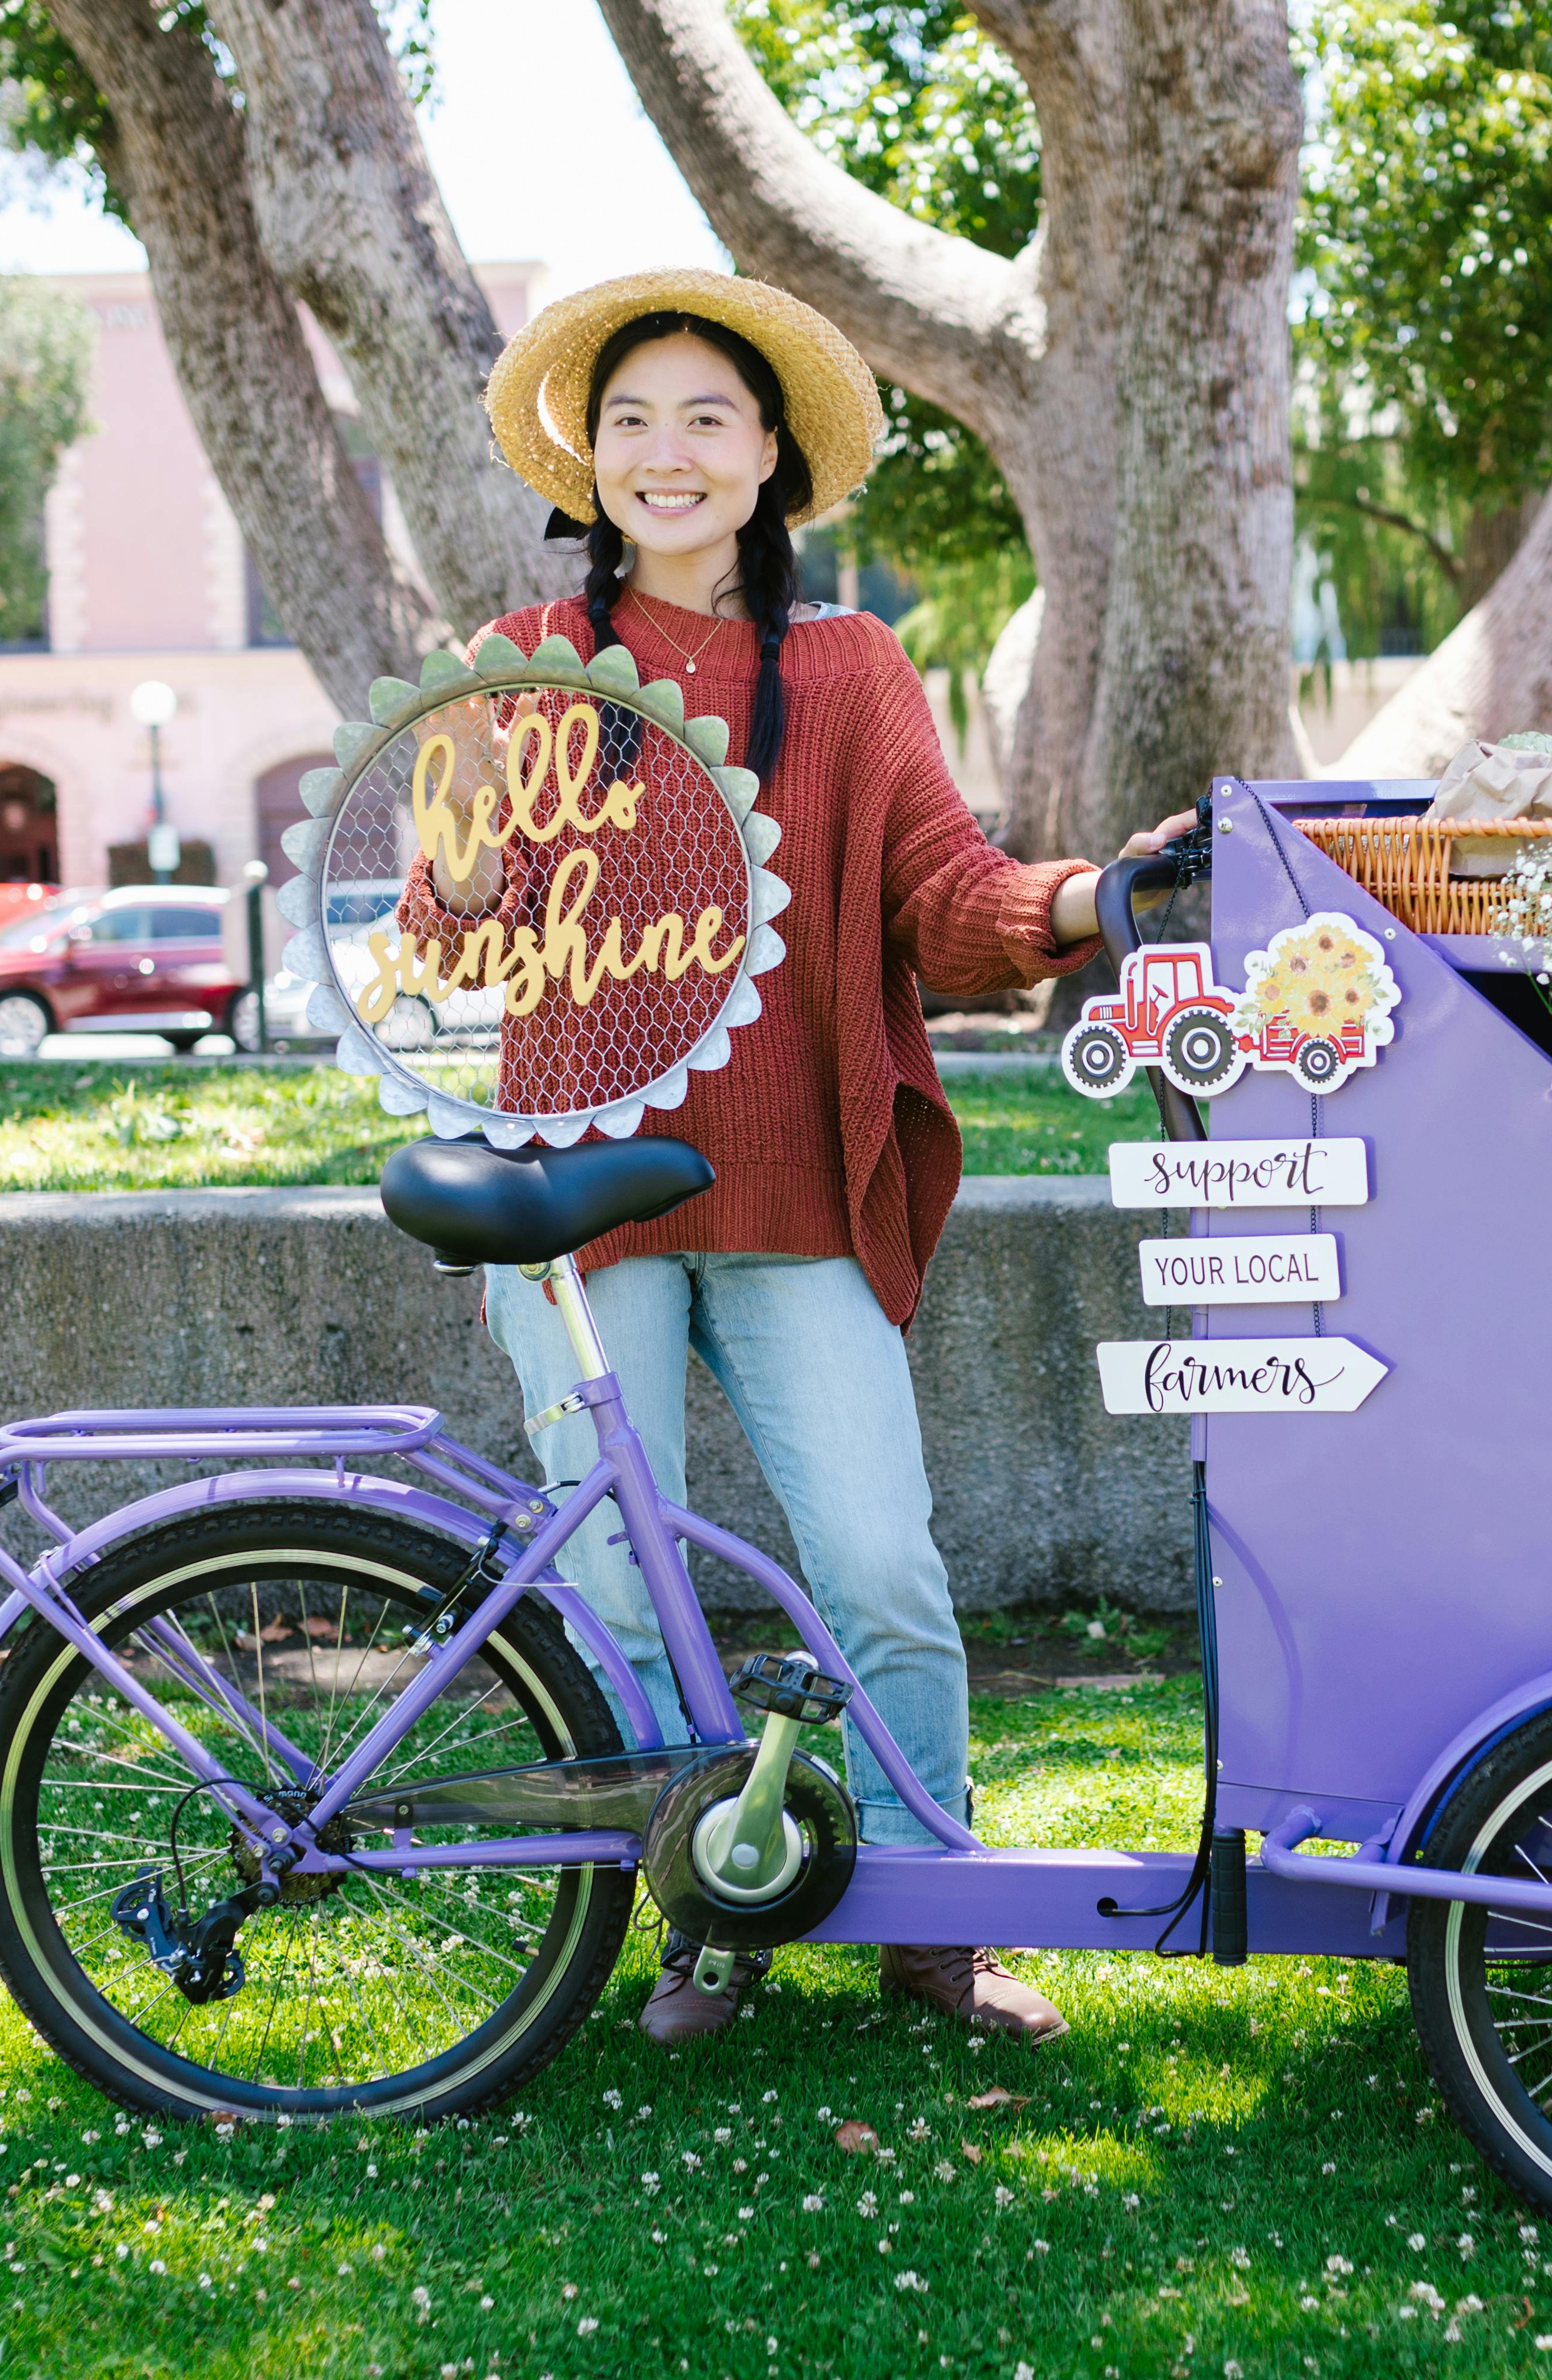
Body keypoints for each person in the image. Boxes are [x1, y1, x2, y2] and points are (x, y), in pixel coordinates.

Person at [419, 268, 1185, 2048]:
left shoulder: (845, 669)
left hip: (788, 1191)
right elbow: (450, 944)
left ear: (770, 457)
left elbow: (940, 889)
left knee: (881, 1571)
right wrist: (455, 821)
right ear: (584, 456)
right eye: (629, 421)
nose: (665, 453)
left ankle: (932, 1920)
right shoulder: (519, 671)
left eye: (706, 419)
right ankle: (703, 1922)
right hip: (580, 1198)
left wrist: (1082, 896)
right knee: (617, 1591)